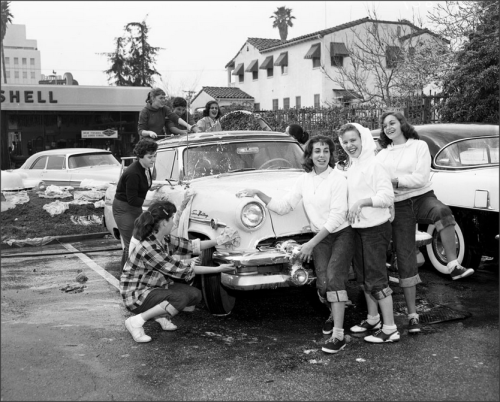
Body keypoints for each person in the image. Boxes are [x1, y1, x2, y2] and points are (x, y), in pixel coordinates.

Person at [238, 135, 354, 354]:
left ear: (330, 154)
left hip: (341, 234)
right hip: (320, 237)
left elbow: (338, 216)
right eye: (317, 151)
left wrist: (309, 244)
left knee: (334, 278)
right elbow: (284, 206)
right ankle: (333, 313)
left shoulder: (338, 178)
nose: (321, 155)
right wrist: (259, 194)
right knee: (322, 284)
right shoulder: (304, 180)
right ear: (309, 155)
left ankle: (338, 335)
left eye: (326, 151)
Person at [376, 111, 474, 334]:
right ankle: (413, 316)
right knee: (406, 256)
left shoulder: (418, 146)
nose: (388, 127)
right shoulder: (381, 155)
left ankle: (453, 265)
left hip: (423, 197)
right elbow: (377, 182)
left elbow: (421, 178)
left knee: (442, 211)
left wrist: (393, 181)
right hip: (398, 205)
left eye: (392, 123)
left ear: (402, 124)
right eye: (384, 125)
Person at [121, 201, 235, 343]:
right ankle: (136, 322)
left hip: (155, 287)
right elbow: (182, 270)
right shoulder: (150, 247)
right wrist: (219, 269)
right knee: (179, 299)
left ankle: (160, 315)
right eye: (172, 219)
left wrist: (220, 240)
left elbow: (192, 246)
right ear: (163, 223)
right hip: (137, 295)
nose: (174, 223)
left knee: (195, 295)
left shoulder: (163, 238)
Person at [338, 123, 399, 343]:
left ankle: (390, 327)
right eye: (345, 142)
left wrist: (362, 202)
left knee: (377, 278)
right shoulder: (352, 166)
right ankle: (373, 318)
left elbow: (387, 197)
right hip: (358, 229)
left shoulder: (375, 164)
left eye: (353, 140)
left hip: (375, 229)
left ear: (363, 139)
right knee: (364, 277)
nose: (349, 145)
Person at [113, 138, 157, 270]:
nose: (153, 159)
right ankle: (126, 277)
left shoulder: (145, 167)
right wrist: (152, 201)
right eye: (150, 157)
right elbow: (132, 199)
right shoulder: (133, 173)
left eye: (155, 156)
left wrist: (151, 189)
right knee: (131, 243)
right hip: (124, 208)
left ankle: (127, 272)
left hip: (134, 207)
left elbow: (143, 186)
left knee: (137, 240)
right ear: (140, 156)